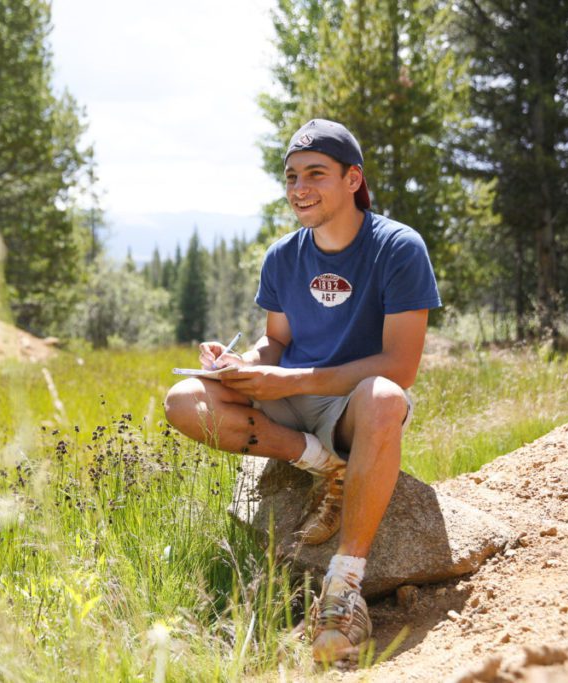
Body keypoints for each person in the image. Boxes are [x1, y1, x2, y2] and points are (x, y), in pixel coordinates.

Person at [163, 118, 441, 663]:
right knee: (183, 402)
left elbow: (399, 367)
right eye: (291, 177)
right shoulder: (283, 256)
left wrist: (287, 378)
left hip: (351, 403)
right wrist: (241, 364)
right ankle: (323, 465)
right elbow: (277, 342)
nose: (299, 189)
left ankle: (343, 586)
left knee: (386, 398)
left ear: (353, 179)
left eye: (315, 174)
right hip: (287, 400)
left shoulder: (398, 247)